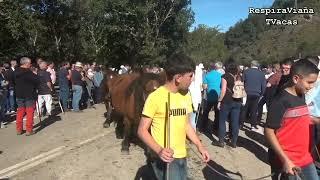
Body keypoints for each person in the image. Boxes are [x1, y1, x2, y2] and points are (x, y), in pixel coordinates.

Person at [137, 53, 210, 180]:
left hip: (181, 155)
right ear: (178, 78)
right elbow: (142, 130)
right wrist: (159, 150)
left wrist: (200, 145)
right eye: (190, 76)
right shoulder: (155, 97)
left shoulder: (186, 94)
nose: (192, 79)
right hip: (164, 158)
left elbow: (186, 124)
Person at [264, 59, 319, 180]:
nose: (311, 86)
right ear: (295, 79)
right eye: (309, 82)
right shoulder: (280, 101)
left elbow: (300, 118)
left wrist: (316, 121)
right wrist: (285, 160)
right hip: (288, 161)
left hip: (305, 159)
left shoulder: (301, 95)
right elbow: (268, 131)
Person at [216, 63, 242, 148]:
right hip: (237, 101)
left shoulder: (225, 76)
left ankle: (221, 141)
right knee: (235, 122)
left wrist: (219, 101)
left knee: (222, 120)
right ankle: (234, 142)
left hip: (227, 101)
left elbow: (223, 90)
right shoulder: (239, 76)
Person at [15, 57, 39, 136]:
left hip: (19, 94)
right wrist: (35, 73)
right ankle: (29, 130)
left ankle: (19, 129)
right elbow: (36, 81)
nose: (30, 64)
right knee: (29, 112)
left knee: (20, 112)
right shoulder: (28, 72)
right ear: (26, 63)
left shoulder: (15, 71)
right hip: (29, 94)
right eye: (29, 63)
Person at [240, 60, 266, 132]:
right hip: (257, 93)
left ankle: (241, 124)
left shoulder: (246, 71)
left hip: (246, 92)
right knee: (254, 110)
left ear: (251, 65)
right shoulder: (261, 73)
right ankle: (253, 125)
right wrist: (262, 94)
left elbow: (242, 81)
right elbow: (263, 85)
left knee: (244, 109)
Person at [201, 62, 222, 132]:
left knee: (206, 111)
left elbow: (204, 87)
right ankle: (216, 127)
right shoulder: (220, 75)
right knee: (217, 112)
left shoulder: (207, 75)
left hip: (209, 96)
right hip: (218, 96)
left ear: (209, 68)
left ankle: (203, 126)